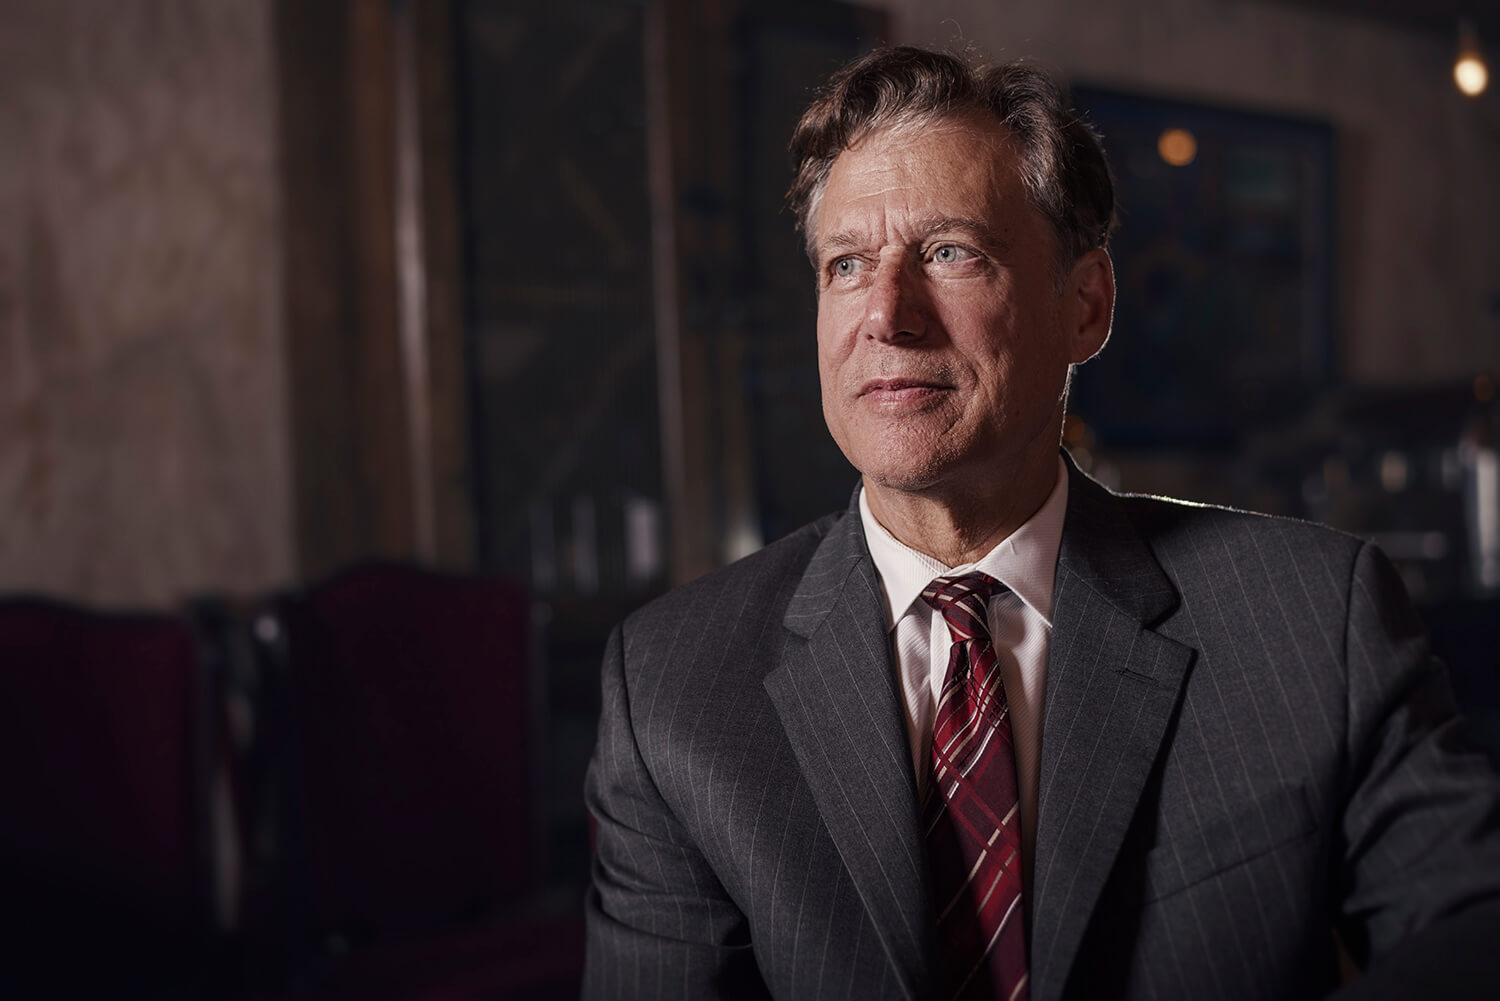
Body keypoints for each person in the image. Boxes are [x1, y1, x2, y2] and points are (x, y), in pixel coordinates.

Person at [582, 45, 1500, 1001]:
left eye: (950, 252)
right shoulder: (673, 691)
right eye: (846, 265)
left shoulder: (1312, 620)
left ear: (1086, 306)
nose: (886, 314)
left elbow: (1475, 928)